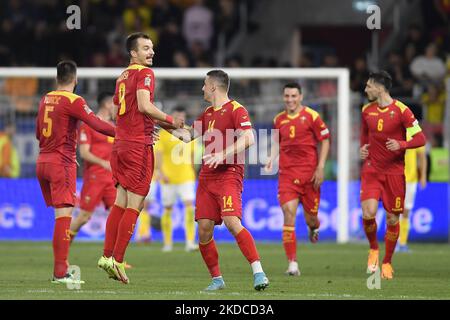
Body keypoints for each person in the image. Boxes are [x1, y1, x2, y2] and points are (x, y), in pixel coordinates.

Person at [170, 70, 269, 291]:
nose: (202, 88)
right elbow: (187, 136)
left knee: (232, 222)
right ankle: (217, 279)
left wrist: (222, 154)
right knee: (204, 229)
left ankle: (259, 272)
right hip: (207, 176)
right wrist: (160, 125)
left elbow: (250, 137)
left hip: (229, 174)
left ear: (213, 87)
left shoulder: (236, 109)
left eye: (205, 84)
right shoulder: (206, 113)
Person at [97, 32, 184, 284]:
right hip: (137, 147)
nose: (151, 52)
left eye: (152, 48)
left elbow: (119, 110)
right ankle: (118, 261)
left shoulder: (121, 76)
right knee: (136, 205)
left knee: (121, 201)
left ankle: (106, 256)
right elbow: (145, 106)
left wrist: (145, 126)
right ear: (133, 53)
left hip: (121, 144)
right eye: (146, 48)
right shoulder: (145, 74)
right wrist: (170, 120)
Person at [36, 60, 116, 284]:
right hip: (61, 163)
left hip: (42, 161)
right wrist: (124, 133)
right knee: (64, 218)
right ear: (75, 79)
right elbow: (97, 124)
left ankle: (62, 267)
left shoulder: (45, 98)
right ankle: (60, 272)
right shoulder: (73, 100)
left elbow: (37, 132)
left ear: (56, 78)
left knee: (60, 218)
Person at [360, 71, 426, 280]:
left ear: (380, 88)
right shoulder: (366, 110)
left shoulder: (402, 111)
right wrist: (363, 148)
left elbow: (421, 138)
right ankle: (373, 250)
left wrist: (402, 144)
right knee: (368, 213)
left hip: (395, 173)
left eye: (369, 86)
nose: (366, 89)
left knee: (392, 217)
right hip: (372, 170)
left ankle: (387, 262)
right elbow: (364, 134)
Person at [264, 83, 330, 276]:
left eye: (294, 96)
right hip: (287, 174)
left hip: (310, 176)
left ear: (301, 96)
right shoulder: (278, 119)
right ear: (283, 97)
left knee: (311, 219)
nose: (290, 99)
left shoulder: (312, 116)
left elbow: (325, 140)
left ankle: (314, 228)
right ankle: (292, 264)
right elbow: (278, 142)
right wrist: (271, 157)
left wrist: (320, 167)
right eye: (287, 96)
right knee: (288, 212)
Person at [69, 92, 115, 242]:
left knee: (117, 216)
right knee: (83, 217)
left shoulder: (114, 127)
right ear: (107, 104)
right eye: (114, 103)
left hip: (112, 179)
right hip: (94, 177)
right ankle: (63, 249)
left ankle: (113, 259)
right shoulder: (89, 125)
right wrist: (103, 163)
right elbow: (84, 153)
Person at [154, 106, 198, 253]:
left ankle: (190, 242)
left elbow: (192, 155)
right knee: (167, 209)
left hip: (186, 177)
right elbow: (158, 154)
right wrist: (160, 172)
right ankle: (167, 243)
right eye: (178, 116)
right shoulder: (164, 133)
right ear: (172, 116)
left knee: (190, 207)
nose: (181, 119)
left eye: (182, 116)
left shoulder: (189, 132)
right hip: (168, 178)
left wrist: (193, 171)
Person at [398, 134, 427, 252]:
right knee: (393, 211)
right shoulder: (392, 130)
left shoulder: (414, 133)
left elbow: (422, 157)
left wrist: (423, 176)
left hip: (410, 180)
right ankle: (394, 242)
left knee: (406, 211)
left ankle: (402, 243)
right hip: (395, 177)